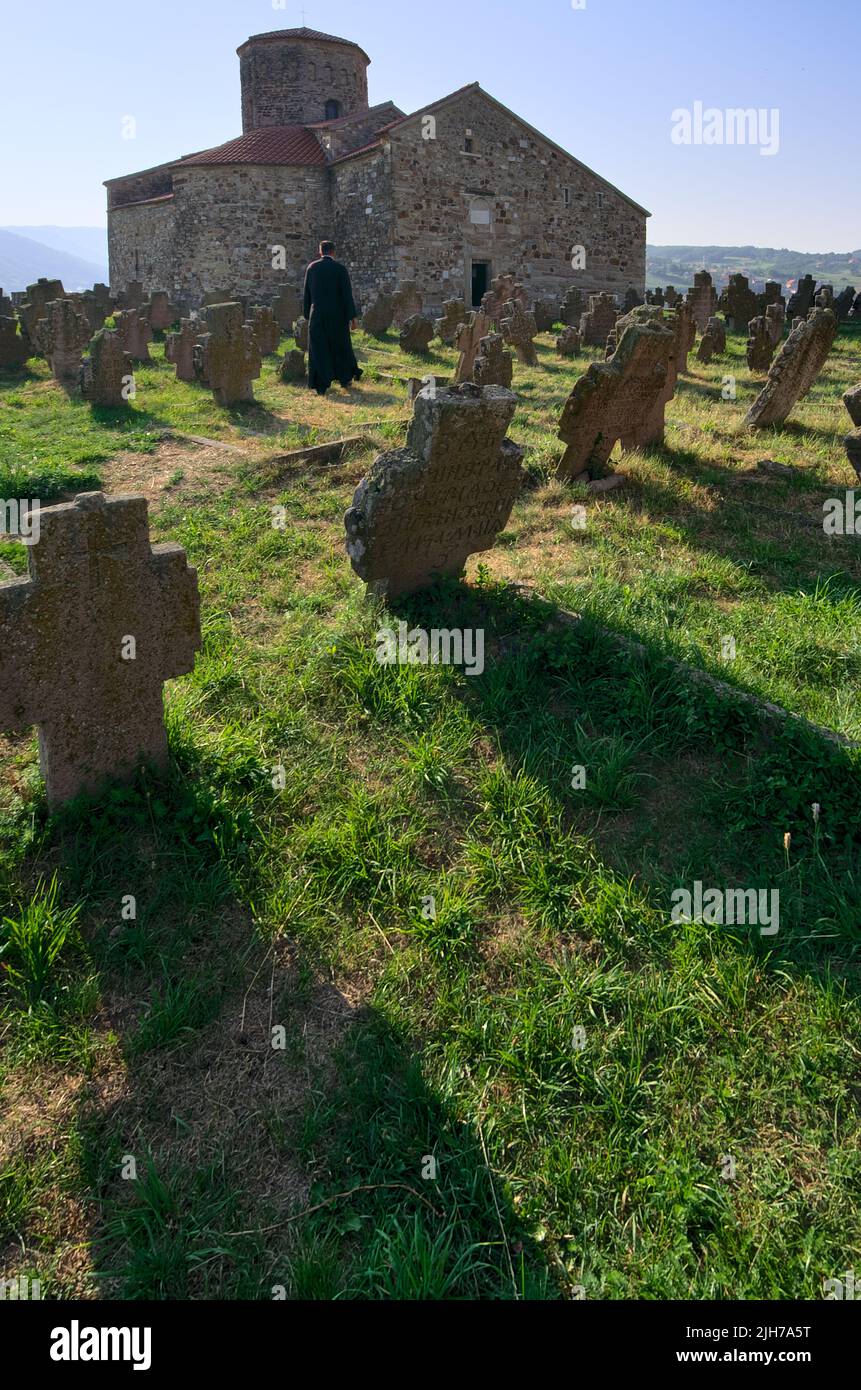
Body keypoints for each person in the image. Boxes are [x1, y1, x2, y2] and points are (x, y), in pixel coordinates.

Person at [302, 240, 363, 396]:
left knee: (319, 349)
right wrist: (352, 318)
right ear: (333, 252)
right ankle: (344, 379)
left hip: (318, 314)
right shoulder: (340, 269)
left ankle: (320, 385)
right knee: (340, 347)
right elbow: (346, 296)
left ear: (320, 251)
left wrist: (307, 314)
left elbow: (307, 294)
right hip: (337, 316)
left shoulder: (312, 268)